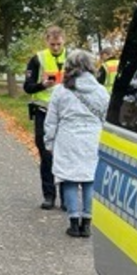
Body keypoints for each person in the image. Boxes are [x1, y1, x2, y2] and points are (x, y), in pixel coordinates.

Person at [44, 49, 109, 237]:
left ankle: (73, 223)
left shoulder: (60, 91)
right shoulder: (101, 91)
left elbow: (51, 120)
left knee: (70, 180)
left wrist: (49, 142)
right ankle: (87, 223)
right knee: (90, 180)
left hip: (67, 139)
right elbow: (106, 118)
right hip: (92, 139)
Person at [23, 25, 67, 210]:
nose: (55, 47)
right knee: (46, 154)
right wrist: (43, 85)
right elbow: (27, 87)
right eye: (52, 44)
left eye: (58, 44)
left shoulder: (72, 58)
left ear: (64, 41)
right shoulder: (37, 59)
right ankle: (49, 196)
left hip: (66, 113)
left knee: (66, 154)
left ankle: (68, 198)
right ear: (46, 41)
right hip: (44, 111)